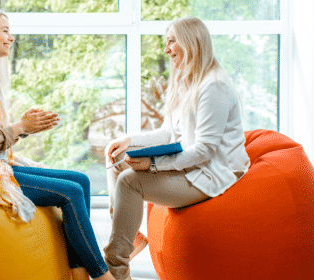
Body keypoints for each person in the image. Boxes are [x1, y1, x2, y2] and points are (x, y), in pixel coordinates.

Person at [0, 10, 117, 280]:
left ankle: (79, 274)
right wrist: (20, 127)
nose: (11, 37)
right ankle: (102, 276)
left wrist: (25, 128)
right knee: (71, 193)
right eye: (5, 30)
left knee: (82, 181)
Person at [102, 16, 250, 280]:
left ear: (191, 43)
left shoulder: (213, 86)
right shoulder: (186, 81)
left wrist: (154, 164)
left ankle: (115, 266)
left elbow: (204, 151)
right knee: (116, 161)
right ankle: (130, 236)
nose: (167, 49)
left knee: (129, 181)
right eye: (166, 42)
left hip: (210, 175)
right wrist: (130, 141)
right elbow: (168, 134)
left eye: (172, 41)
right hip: (191, 167)